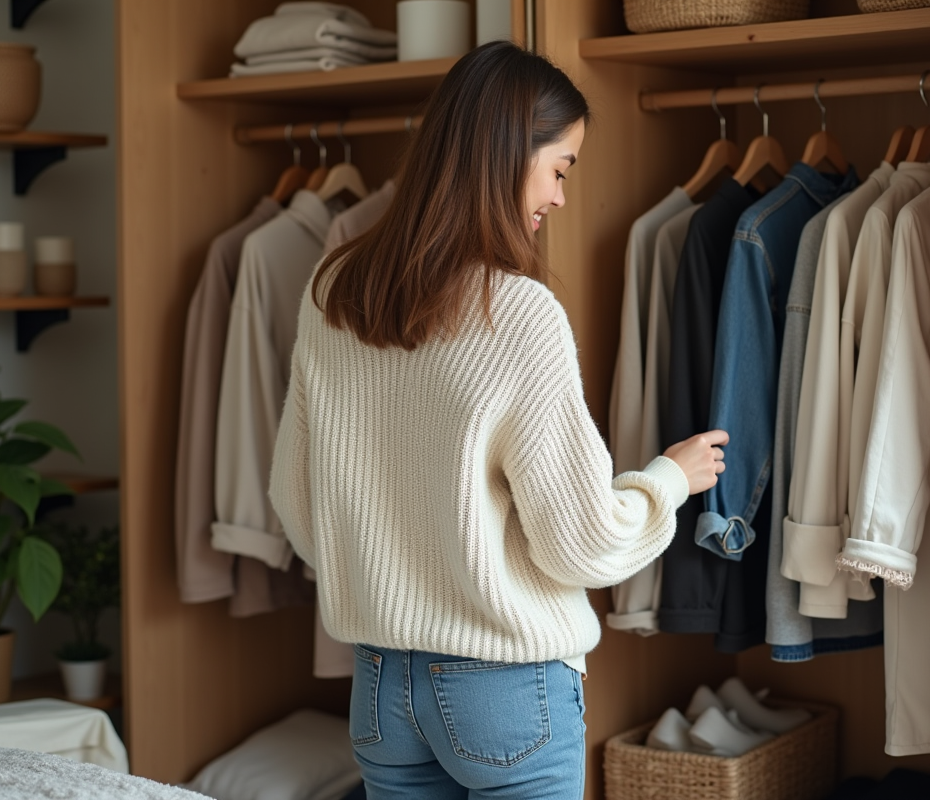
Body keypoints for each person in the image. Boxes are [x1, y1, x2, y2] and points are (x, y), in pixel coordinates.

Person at [270, 40, 728, 800]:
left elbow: (297, 499)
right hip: (505, 691)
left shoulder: (332, 291)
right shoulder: (518, 314)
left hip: (380, 686)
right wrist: (666, 481)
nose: (558, 196)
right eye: (560, 168)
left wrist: (400, 563)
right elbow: (582, 541)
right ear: (506, 156)